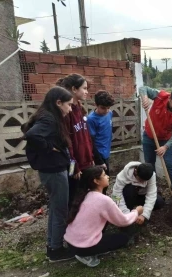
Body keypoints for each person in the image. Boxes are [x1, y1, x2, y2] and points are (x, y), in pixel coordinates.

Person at [21, 86, 75, 262]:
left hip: (52, 170)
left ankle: (53, 245)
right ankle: (56, 250)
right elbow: (31, 135)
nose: (70, 109)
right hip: (54, 171)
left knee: (55, 209)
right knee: (60, 210)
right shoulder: (49, 119)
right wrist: (49, 148)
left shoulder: (47, 115)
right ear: (58, 102)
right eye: (68, 105)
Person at [64, 166, 143, 267]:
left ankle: (90, 248)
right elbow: (123, 221)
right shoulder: (103, 200)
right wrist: (136, 211)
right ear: (96, 181)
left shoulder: (85, 195)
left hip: (71, 243)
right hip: (82, 247)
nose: (108, 177)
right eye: (104, 175)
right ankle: (86, 255)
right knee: (124, 238)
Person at [139, 86, 172, 201]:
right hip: (149, 136)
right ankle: (153, 190)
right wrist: (145, 98)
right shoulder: (160, 96)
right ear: (170, 98)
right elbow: (143, 88)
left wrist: (165, 147)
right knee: (150, 164)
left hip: (166, 139)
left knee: (169, 164)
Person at [56, 74, 94, 207]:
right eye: (84, 88)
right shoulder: (67, 111)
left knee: (85, 195)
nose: (87, 91)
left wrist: (91, 157)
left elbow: (86, 137)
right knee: (74, 196)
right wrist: (75, 167)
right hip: (74, 166)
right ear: (74, 89)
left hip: (86, 162)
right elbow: (67, 143)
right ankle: (71, 224)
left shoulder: (80, 109)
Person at [87, 90, 114, 194]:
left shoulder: (110, 113)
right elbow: (91, 142)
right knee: (100, 182)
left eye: (108, 108)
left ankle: (103, 198)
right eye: (103, 108)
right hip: (98, 154)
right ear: (96, 105)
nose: (106, 110)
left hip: (106, 151)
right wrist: (99, 160)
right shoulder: (91, 119)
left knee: (106, 179)